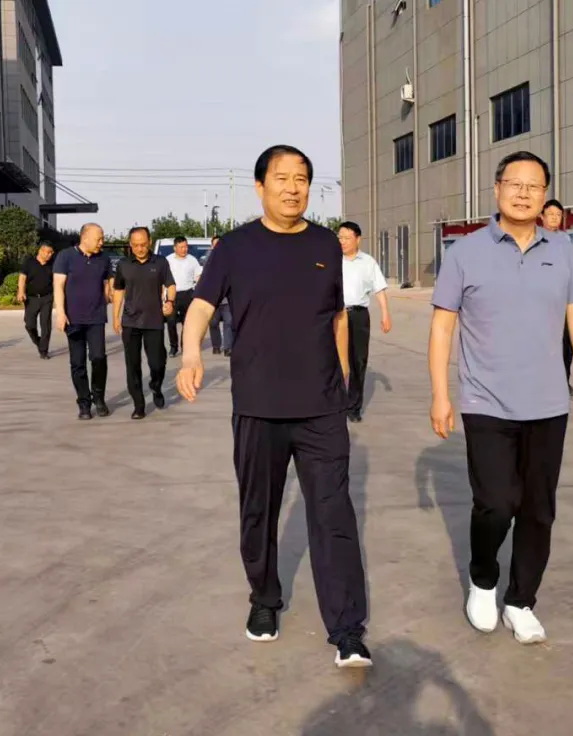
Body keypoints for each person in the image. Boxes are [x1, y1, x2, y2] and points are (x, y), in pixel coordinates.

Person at [176, 145, 371, 669]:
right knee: (258, 512)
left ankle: (347, 629)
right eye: (281, 178)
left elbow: (336, 316)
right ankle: (264, 598)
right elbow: (201, 305)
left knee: (333, 514)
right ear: (260, 186)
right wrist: (192, 353)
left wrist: (344, 377)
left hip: (321, 406)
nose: (293, 187)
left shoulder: (326, 243)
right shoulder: (236, 247)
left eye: (301, 178)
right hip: (259, 404)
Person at [429, 151, 573, 644]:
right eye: (514, 183)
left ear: (545, 195)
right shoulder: (465, 252)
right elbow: (442, 327)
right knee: (495, 502)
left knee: (538, 510)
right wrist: (440, 394)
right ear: (497, 189)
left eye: (534, 185)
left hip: (548, 404)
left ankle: (521, 600)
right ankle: (483, 580)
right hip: (485, 402)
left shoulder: (562, 249)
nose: (523, 193)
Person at [111, 226, 176, 419]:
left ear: (149, 242)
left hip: (154, 320)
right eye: (135, 245)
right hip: (130, 321)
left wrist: (170, 302)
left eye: (143, 244)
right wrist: (115, 317)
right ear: (130, 245)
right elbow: (118, 291)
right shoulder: (124, 264)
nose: (139, 249)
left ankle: (156, 386)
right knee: (132, 365)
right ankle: (138, 405)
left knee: (157, 363)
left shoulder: (160, 262)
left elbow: (170, 284)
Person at [53, 223, 112, 420]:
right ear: (85, 238)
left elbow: (107, 284)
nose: (102, 242)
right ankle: (84, 403)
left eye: (102, 238)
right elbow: (58, 286)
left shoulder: (103, 259)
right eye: (98, 239)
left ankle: (99, 397)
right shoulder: (65, 256)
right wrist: (61, 313)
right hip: (73, 318)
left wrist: (111, 294)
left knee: (98, 358)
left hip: (96, 317)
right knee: (77, 363)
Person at [337, 221, 391, 422]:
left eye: (347, 238)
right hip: (337, 315)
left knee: (358, 360)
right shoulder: (332, 260)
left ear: (358, 239)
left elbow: (379, 289)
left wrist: (385, 314)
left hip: (359, 315)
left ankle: (354, 407)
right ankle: (334, 404)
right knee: (334, 359)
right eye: (340, 237)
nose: (342, 241)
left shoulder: (368, 262)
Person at [542, 199, 573, 397]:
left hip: (564, 300)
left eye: (558, 215)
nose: (555, 218)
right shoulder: (535, 237)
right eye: (551, 214)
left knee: (567, 343)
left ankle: (564, 380)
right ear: (542, 217)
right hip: (543, 301)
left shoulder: (565, 240)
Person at [165, 235, 202, 357]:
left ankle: (184, 346)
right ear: (175, 247)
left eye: (186, 247)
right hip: (172, 295)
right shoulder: (168, 260)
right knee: (171, 322)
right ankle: (173, 347)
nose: (184, 249)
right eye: (181, 247)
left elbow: (198, 276)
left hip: (188, 294)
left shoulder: (192, 260)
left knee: (187, 323)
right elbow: (163, 279)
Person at [17, 242, 55, 359]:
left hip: (47, 297)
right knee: (29, 325)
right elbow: (22, 278)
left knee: (46, 326)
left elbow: (56, 280)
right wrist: (21, 291)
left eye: (51, 253)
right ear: (40, 251)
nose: (49, 255)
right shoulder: (29, 262)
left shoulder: (52, 264)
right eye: (48, 252)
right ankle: (39, 342)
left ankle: (44, 351)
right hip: (31, 298)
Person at [204, 235, 233, 356]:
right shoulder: (207, 260)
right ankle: (216, 345)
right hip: (213, 299)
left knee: (229, 322)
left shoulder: (230, 258)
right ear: (212, 246)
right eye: (215, 244)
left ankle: (228, 347)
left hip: (226, 299)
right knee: (213, 323)